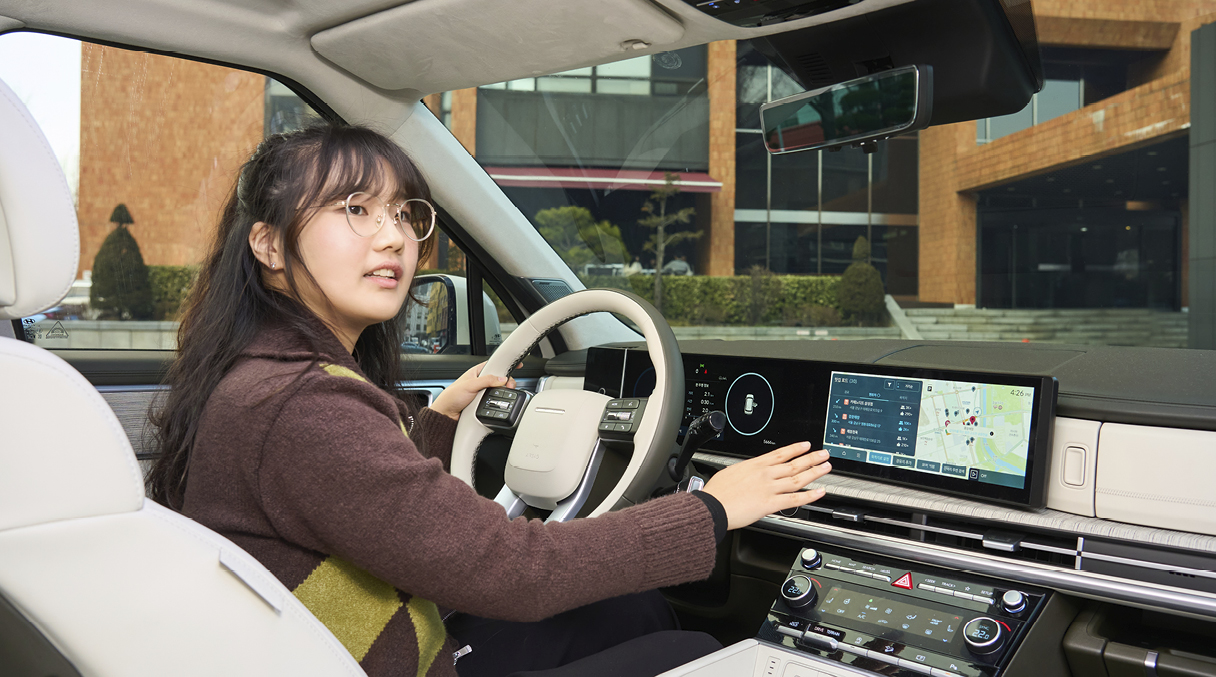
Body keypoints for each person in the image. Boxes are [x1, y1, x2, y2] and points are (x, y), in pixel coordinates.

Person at [145, 124, 832, 677]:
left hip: (354, 648)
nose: (394, 237)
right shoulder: (302, 406)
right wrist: (712, 508)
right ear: (267, 243)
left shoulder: (260, 376)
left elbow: (359, 498)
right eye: (354, 208)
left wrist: (438, 421)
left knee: (630, 611)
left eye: (403, 214)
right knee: (694, 655)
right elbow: (516, 569)